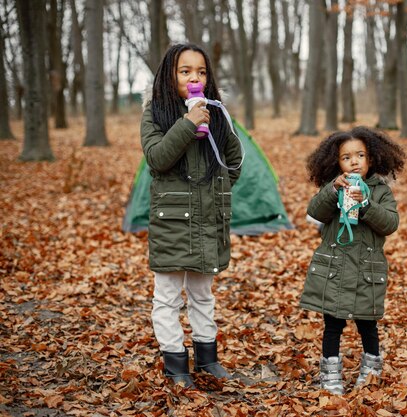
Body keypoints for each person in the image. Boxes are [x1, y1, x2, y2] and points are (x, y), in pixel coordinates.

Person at [140, 43, 243, 389]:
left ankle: (207, 357)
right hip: (171, 221)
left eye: (200, 72)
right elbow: (157, 158)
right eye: (185, 72)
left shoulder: (217, 112)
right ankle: (175, 363)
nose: (194, 78)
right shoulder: (154, 112)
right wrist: (187, 123)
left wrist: (219, 188)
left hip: (207, 221)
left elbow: (234, 158)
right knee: (167, 296)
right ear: (170, 76)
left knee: (202, 294)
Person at [299, 126, 406, 395]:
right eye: (346, 157)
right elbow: (315, 212)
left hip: (366, 271)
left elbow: (390, 223)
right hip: (334, 269)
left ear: (372, 159)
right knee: (332, 324)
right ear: (336, 163)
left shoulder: (380, 191)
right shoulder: (334, 186)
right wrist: (333, 191)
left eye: (360, 155)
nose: (354, 161)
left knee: (367, 323)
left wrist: (367, 205)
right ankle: (330, 374)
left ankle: (371, 370)